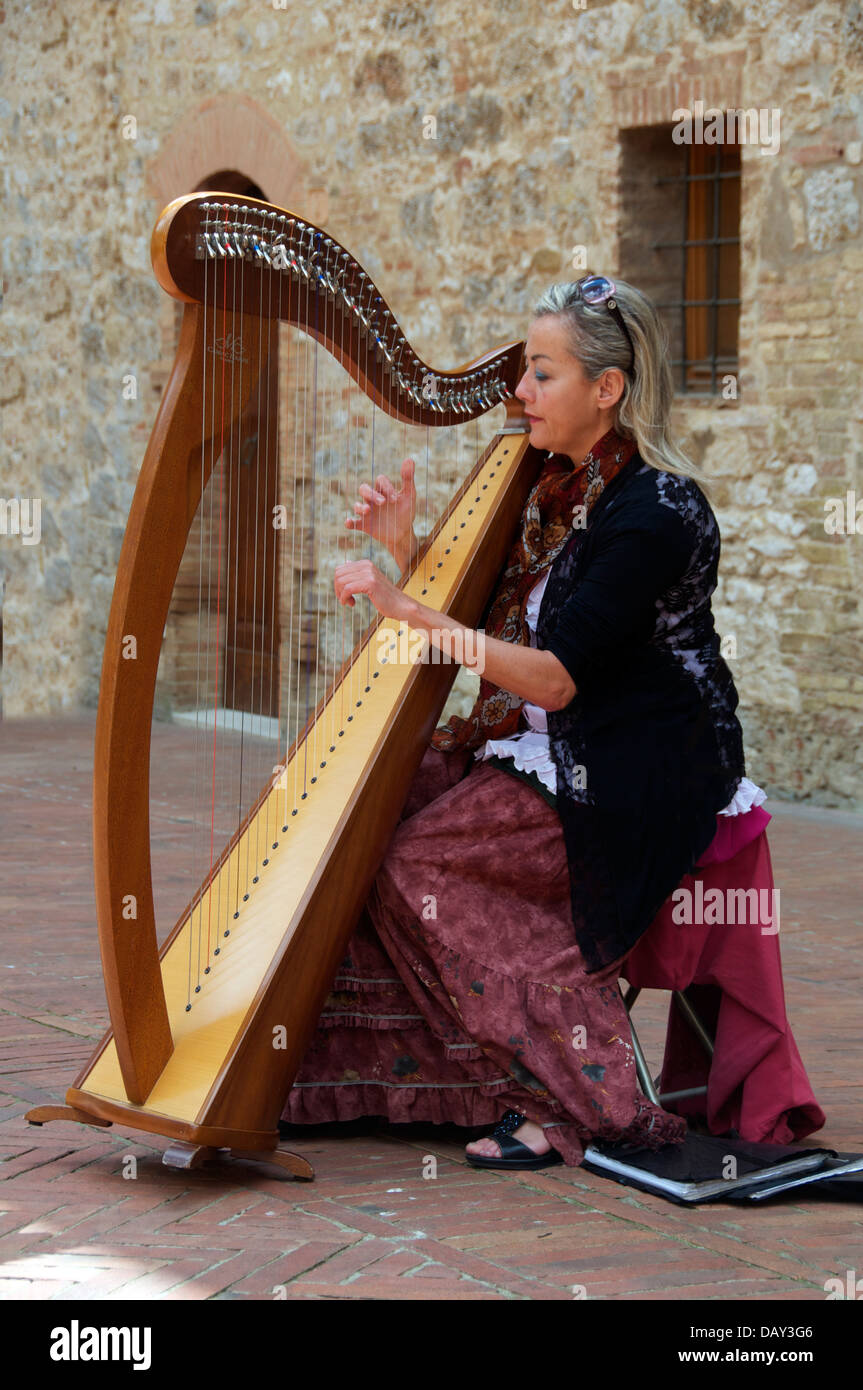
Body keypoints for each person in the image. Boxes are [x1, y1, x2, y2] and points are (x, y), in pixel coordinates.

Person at [278, 275, 789, 1169]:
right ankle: (397, 1077)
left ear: (607, 388)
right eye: (522, 373)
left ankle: (574, 1097)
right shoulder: (560, 487)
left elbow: (553, 679)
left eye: (540, 374)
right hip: (555, 745)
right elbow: (511, 619)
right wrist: (411, 552)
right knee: (363, 807)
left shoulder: (657, 512)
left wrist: (410, 611)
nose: (519, 393)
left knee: (415, 864)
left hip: (635, 768)